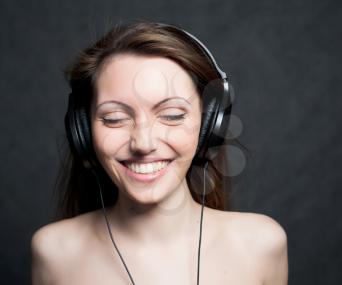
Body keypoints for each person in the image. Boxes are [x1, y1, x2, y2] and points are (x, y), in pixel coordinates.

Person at [30, 20, 288, 285]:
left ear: (210, 125)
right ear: (82, 130)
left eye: (172, 115)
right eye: (115, 118)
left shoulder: (262, 246)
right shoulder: (54, 252)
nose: (143, 142)